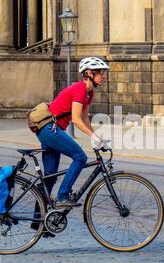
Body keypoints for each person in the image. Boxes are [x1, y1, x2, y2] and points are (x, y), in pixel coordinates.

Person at [36, 57, 110, 210]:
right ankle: (63, 196)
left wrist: (96, 137)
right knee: (80, 157)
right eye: (101, 73)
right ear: (89, 73)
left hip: (52, 130)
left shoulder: (89, 94)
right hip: (50, 129)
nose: (104, 76)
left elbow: (84, 118)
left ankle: (38, 222)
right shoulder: (80, 89)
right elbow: (76, 120)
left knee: (50, 177)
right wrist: (93, 136)